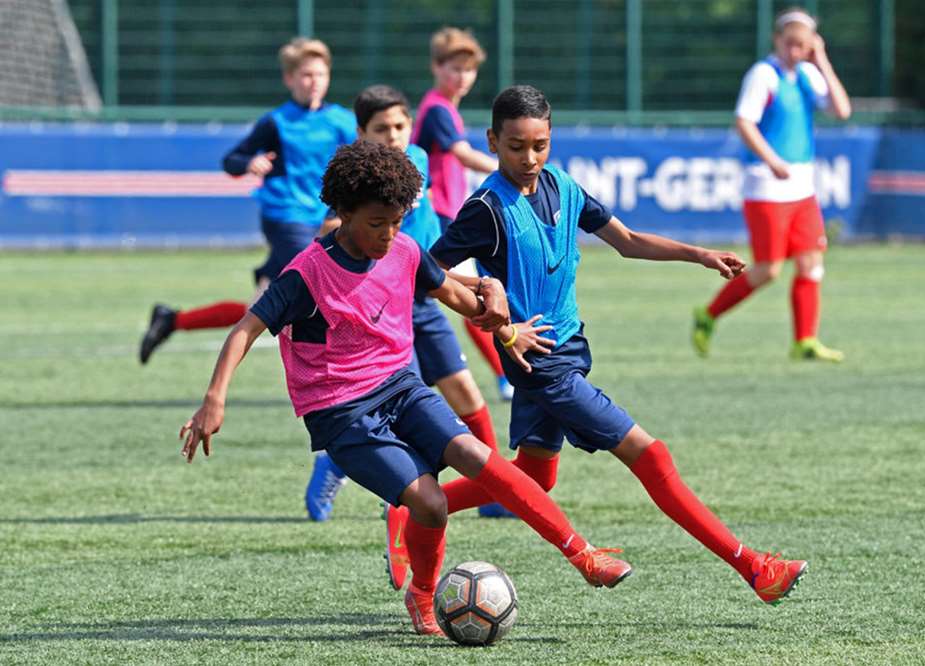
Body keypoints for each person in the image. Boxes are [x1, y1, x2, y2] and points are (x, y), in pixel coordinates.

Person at [178, 141, 633, 637]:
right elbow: (245, 329)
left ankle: (583, 555)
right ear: (345, 213)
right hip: (342, 410)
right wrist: (213, 400)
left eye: (397, 222)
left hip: (400, 386)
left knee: (483, 459)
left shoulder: (406, 250)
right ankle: (423, 593)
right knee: (431, 504)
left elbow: (459, 295)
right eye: (377, 224)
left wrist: (498, 308)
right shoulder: (308, 272)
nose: (388, 235)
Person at [386, 85, 807, 606]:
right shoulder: (486, 209)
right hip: (543, 366)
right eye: (516, 146)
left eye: (539, 144)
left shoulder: (563, 186)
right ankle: (754, 567)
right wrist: (501, 324)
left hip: (569, 349)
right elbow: (427, 273)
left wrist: (698, 254)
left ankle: (410, 509)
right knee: (651, 455)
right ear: (493, 141)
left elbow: (627, 242)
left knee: (535, 476)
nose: (529, 157)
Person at [138, 37, 356, 521]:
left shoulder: (342, 121)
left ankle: (173, 320)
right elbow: (232, 160)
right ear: (289, 78)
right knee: (303, 304)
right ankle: (330, 392)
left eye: (319, 74)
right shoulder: (277, 122)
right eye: (303, 74)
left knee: (264, 308)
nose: (312, 81)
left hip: (327, 218)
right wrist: (250, 164)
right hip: (287, 220)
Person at [316, 83, 514, 523]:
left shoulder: (419, 162)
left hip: (423, 296)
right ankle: (341, 473)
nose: (393, 136)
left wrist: (451, 275)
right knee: (399, 412)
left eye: (400, 126)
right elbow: (328, 231)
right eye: (381, 128)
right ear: (360, 133)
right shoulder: (352, 178)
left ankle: (492, 491)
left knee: (465, 391)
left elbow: (424, 240)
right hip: (380, 310)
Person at [692, 7, 852, 361]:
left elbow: (842, 110)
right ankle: (708, 314)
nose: (795, 51)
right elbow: (744, 122)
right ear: (777, 40)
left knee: (812, 262)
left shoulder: (809, 75)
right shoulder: (763, 75)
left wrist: (822, 58)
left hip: (803, 189)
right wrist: (773, 161)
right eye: (790, 43)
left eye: (803, 45)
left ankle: (805, 340)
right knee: (768, 270)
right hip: (766, 186)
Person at [412, 26, 514, 401]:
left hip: (446, 213)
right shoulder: (437, 108)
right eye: (454, 68)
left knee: (461, 295)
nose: (462, 76)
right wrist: (507, 168)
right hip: (437, 215)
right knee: (473, 295)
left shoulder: (445, 108)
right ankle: (505, 374)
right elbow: (459, 153)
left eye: (468, 70)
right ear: (437, 68)